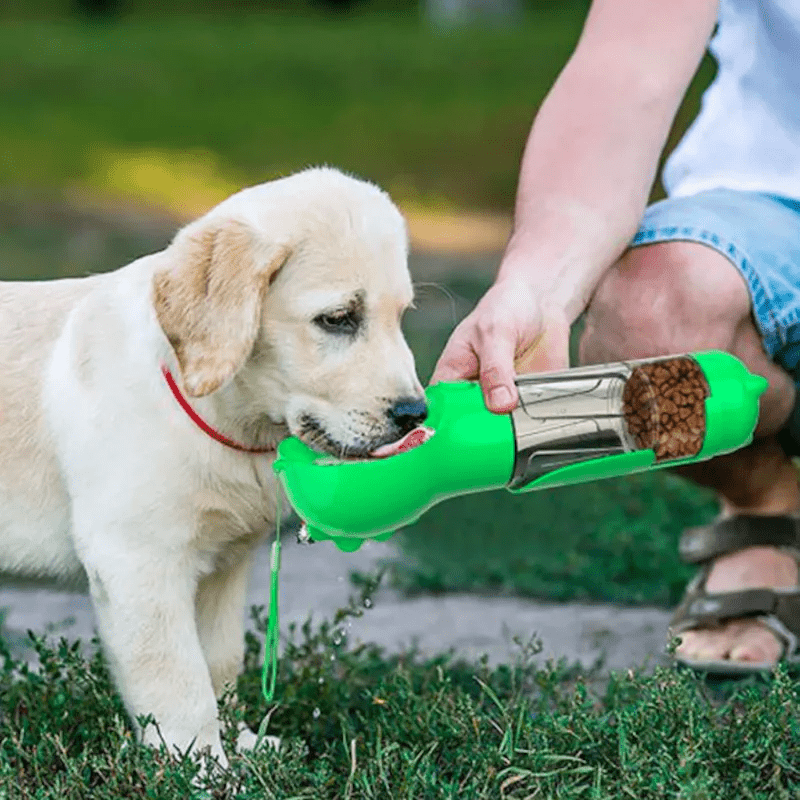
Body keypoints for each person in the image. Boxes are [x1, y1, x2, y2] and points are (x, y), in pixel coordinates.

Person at [431, 0, 800, 673]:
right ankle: (768, 508)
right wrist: (539, 288)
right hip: (774, 192)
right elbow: (625, 68)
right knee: (653, 312)